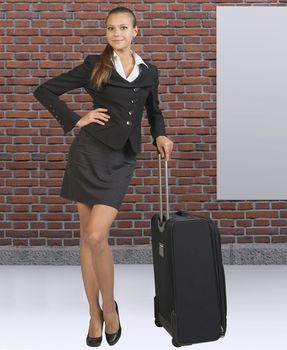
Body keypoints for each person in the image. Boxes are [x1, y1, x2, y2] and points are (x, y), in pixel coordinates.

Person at [33, 6, 174, 347]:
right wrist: (75, 118)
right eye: (111, 29)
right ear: (106, 33)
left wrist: (160, 134)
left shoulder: (148, 72)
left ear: (135, 31)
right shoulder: (94, 66)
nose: (117, 34)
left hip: (121, 158)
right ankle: (94, 314)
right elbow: (46, 91)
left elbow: (153, 111)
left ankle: (110, 308)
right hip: (88, 154)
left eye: (123, 28)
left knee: (97, 236)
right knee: (87, 237)